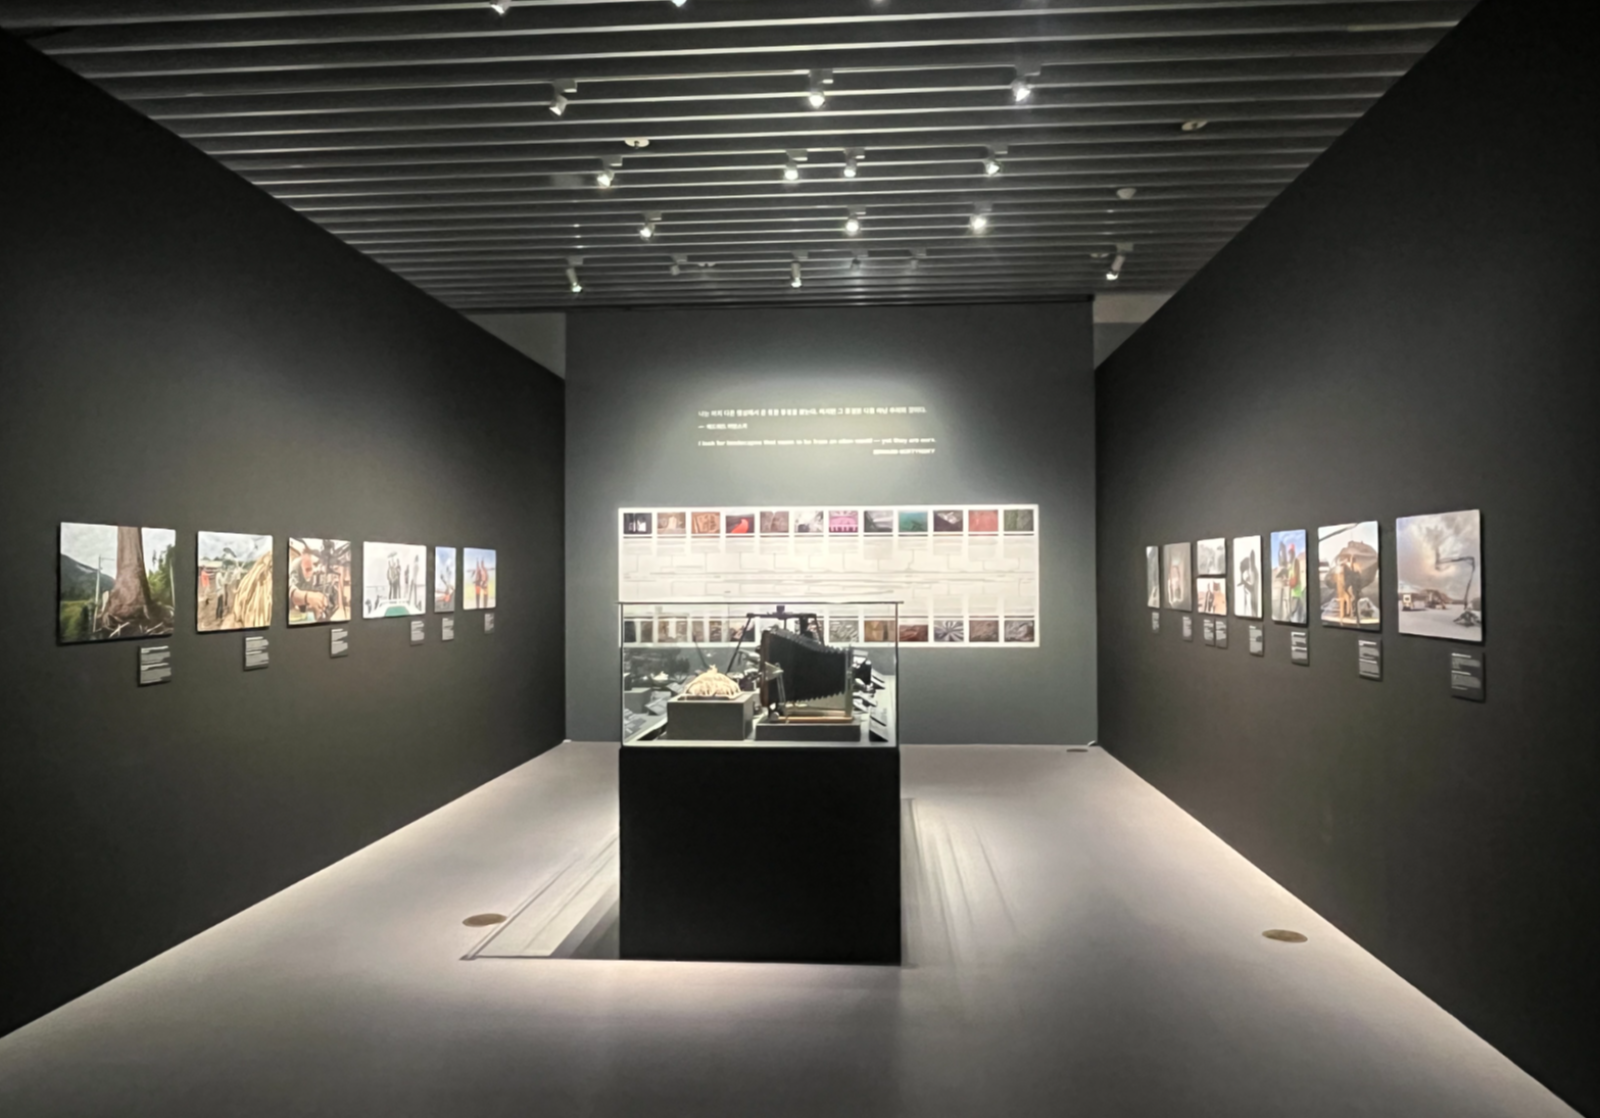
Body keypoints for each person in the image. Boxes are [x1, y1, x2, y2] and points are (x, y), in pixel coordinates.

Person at [288, 548, 331, 622]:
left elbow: (310, 587)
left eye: (310, 568)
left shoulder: (312, 566)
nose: (310, 572)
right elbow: (291, 593)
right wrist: (306, 597)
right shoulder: (295, 565)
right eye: (308, 569)